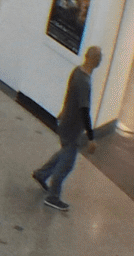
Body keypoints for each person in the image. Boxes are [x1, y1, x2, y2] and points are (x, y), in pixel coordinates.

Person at [31, 44, 104, 212]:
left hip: (66, 124)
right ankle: (53, 196)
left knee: (64, 153)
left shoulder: (77, 72)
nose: (100, 60)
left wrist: (64, 109)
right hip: (72, 128)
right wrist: (91, 137)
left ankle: (42, 174)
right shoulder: (84, 82)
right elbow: (85, 111)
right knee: (67, 163)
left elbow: (69, 93)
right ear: (94, 60)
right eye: (99, 58)